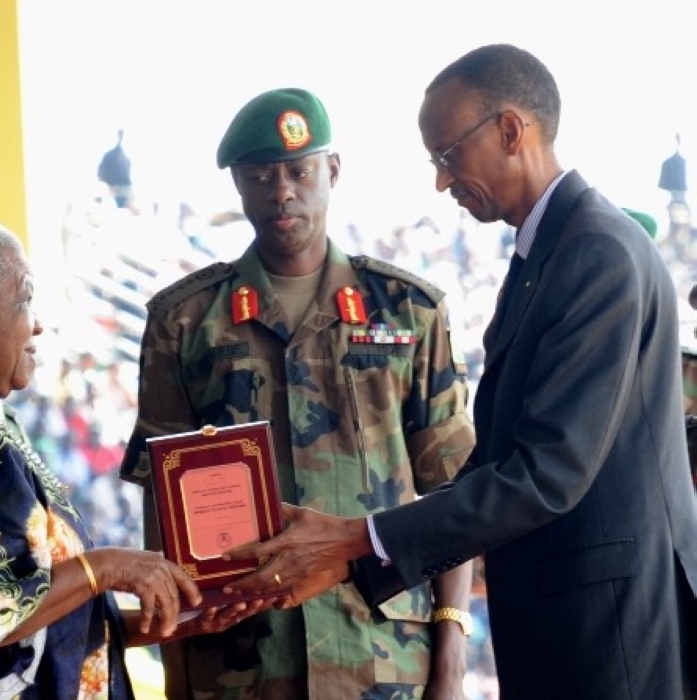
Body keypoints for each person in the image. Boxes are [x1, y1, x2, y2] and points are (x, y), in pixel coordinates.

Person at [223, 44, 697, 700]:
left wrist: (359, 537)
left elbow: (545, 474)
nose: (443, 182)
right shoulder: (550, 250)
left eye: (448, 156)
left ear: (510, 130)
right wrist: (350, 552)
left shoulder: (596, 251)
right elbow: (494, 463)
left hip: (609, 637)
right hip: (570, 624)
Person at [117, 88, 477, 700]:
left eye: (299, 171)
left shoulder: (409, 311)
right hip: (239, 664)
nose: (281, 190)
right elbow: (165, 501)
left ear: (331, 172)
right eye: (260, 175)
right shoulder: (184, 320)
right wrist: (178, 676)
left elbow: (452, 491)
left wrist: (450, 659)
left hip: (383, 660)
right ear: (238, 185)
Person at [0, 215, 266, 699]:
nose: (37, 323)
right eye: (23, 300)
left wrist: (173, 622)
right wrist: (108, 566)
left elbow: (35, 627)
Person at [97, 129, 135, 210]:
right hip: (120, 188)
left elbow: (100, 175)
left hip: (117, 188)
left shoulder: (114, 155)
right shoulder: (123, 157)